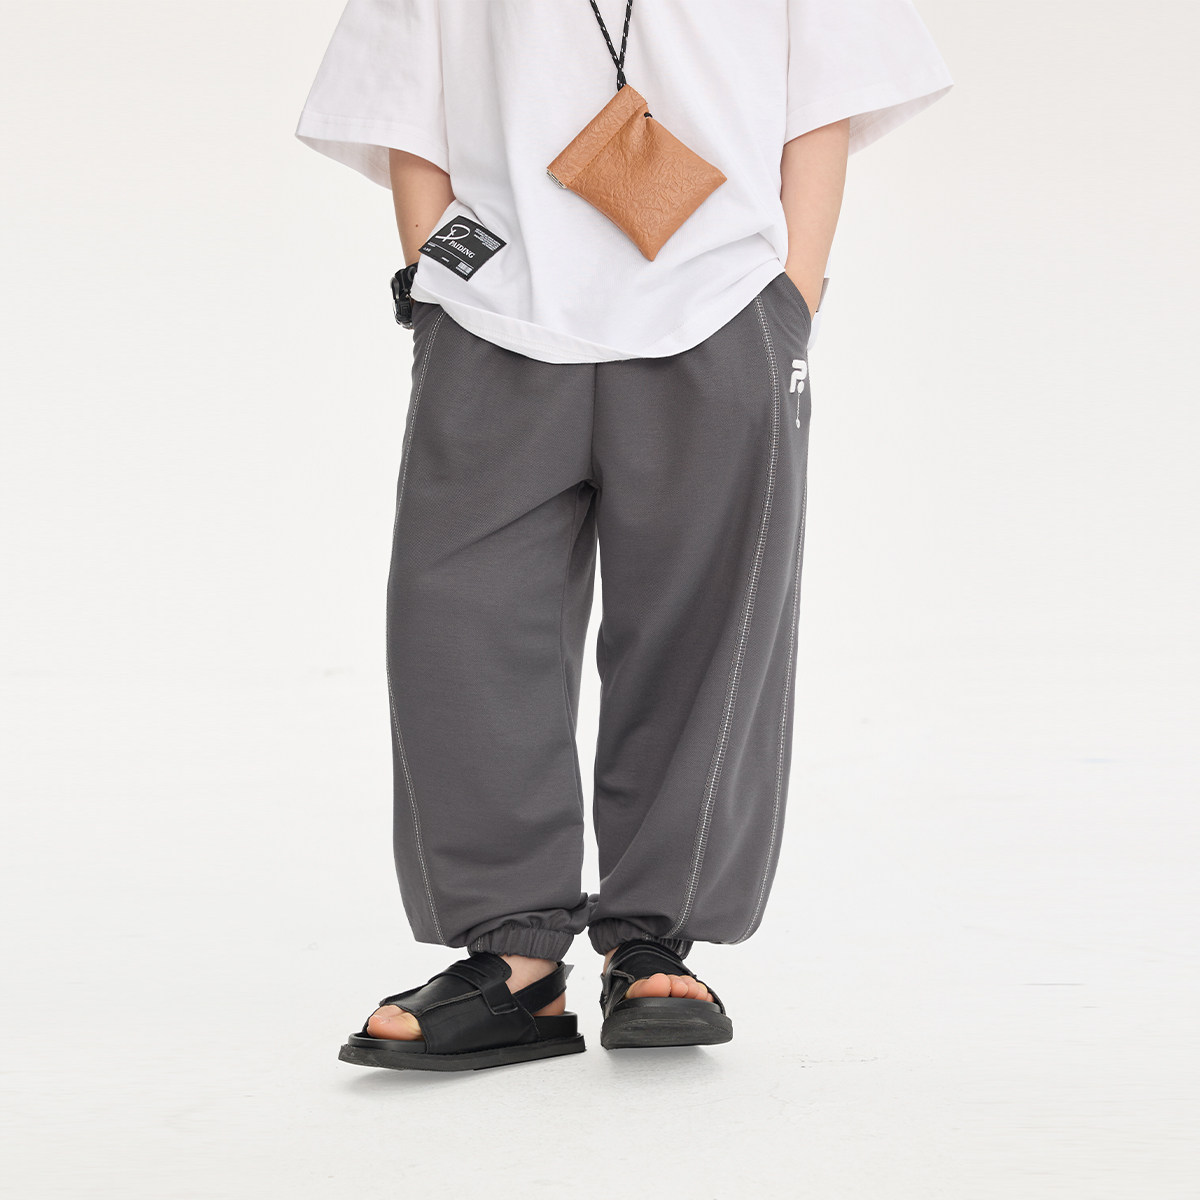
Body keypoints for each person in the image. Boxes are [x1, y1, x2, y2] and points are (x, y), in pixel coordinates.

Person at [294, 0, 952, 1071]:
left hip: (722, 302)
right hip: (495, 313)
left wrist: (791, 298)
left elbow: (827, 94)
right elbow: (404, 95)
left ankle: (653, 942)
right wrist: (437, 283)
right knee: (458, 625)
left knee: (705, 627)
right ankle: (513, 961)